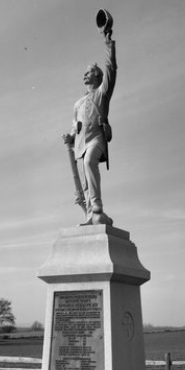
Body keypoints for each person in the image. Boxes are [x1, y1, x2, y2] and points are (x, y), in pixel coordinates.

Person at [62, 31, 117, 225]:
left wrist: (109, 45)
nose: (85, 74)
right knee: (85, 180)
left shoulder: (102, 94)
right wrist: (69, 137)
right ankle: (90, 217)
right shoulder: (78, 103)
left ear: (98, 76)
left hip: (97, 140)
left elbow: (111, 70)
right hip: (80, 144)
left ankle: (97, 207)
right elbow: (74, 126)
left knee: (89, 164)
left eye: (89, 72)